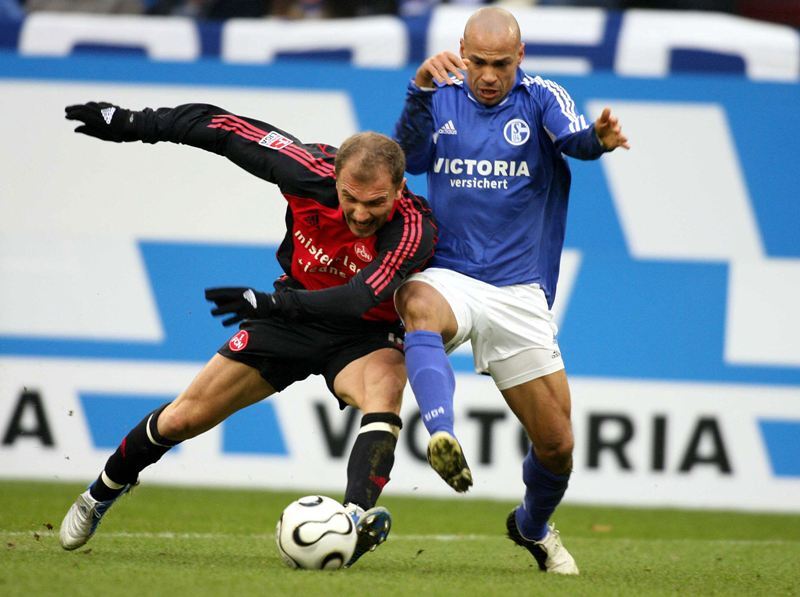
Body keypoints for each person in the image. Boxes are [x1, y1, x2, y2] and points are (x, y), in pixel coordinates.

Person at [59, 100, 437, 567]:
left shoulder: (414, 228)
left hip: (362, 333)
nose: (360, 214)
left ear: (399, 189)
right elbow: (221, 128)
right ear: (333, 175)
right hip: (290, 320)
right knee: (181, 418)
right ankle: (100, 494)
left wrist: (273, 303)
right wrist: (137, 123)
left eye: (375, 202)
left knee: (385, 388)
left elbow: (360, 296)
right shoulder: (302, 169)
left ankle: (353, 517)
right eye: (349, 198)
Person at [393, 6, 629, 575]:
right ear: (462, 53)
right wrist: (418, 89)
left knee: (558, 445)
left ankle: (531, 526)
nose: (489, 75)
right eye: (478, 63)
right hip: (451, 273)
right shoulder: (441, 94)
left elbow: (573, 139)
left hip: (519, 290)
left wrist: (597, 140)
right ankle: (442, 433)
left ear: (520, 59)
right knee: (416, 304)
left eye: (502, 64)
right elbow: (410, 157)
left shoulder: (541, 96)